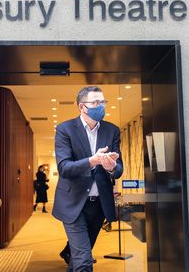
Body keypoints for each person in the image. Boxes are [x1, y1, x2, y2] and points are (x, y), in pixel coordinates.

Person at [52, 86, 123, 271]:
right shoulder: (65, 129)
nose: (101, 106)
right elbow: (64, 168)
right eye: (96, 102)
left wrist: (112, 167)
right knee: (84, 260)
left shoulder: (112, 130)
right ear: (82, 107)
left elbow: (119, 168)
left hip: (99, 205)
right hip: (73, 203)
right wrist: (93, 160)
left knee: (79, 258)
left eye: (103, 102)